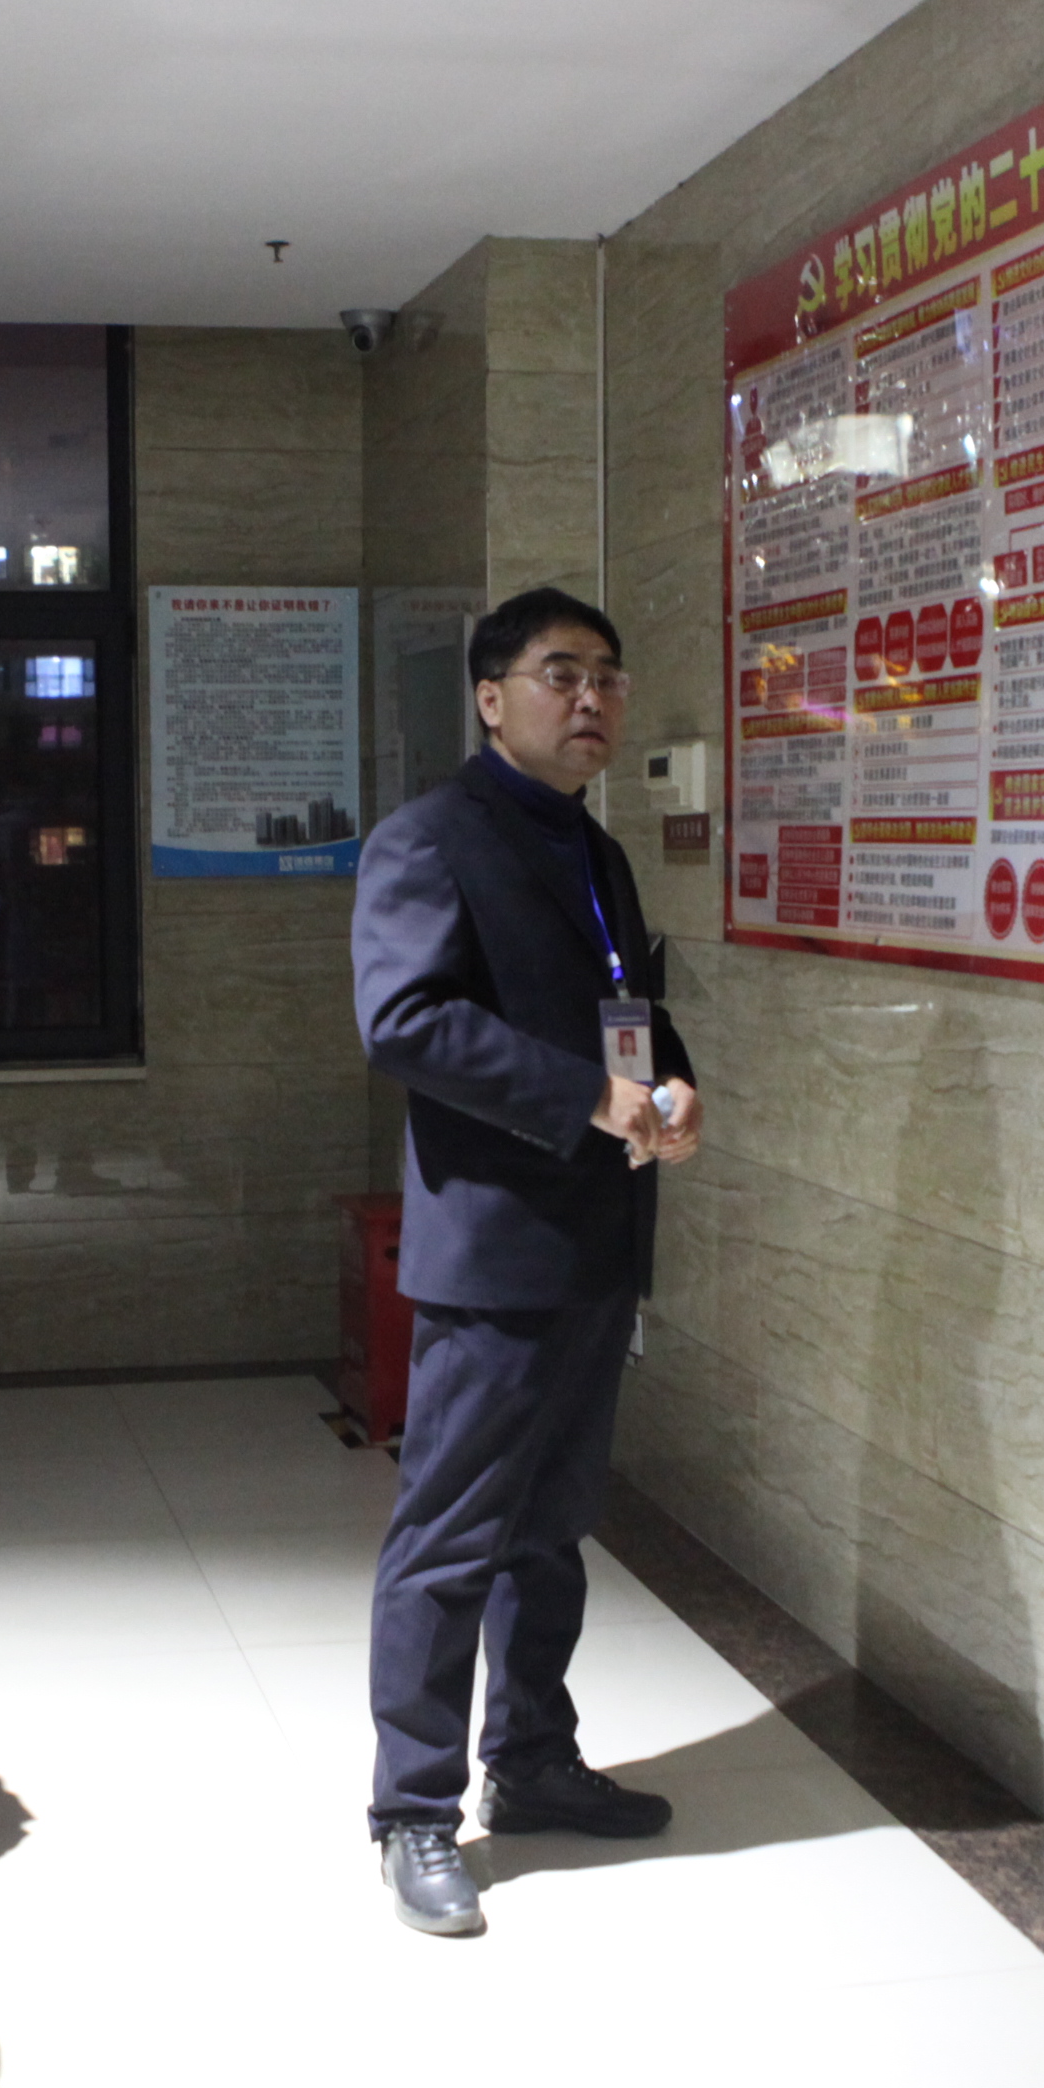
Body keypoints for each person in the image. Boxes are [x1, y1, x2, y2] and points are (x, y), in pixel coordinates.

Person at [349, 586, 704, 1937]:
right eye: (563, 673)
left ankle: (535, 1759)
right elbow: (405, 1019)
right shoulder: (429, 839)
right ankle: (413, 1812)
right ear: (492, 698)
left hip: (597, 1238)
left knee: (552, 1529)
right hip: (496, 1247)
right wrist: (583, 1098)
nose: (592, 697)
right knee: (452, 1538)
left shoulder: (592, 848)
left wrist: (671, 1082)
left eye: (607, 674)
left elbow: (624, 1003)